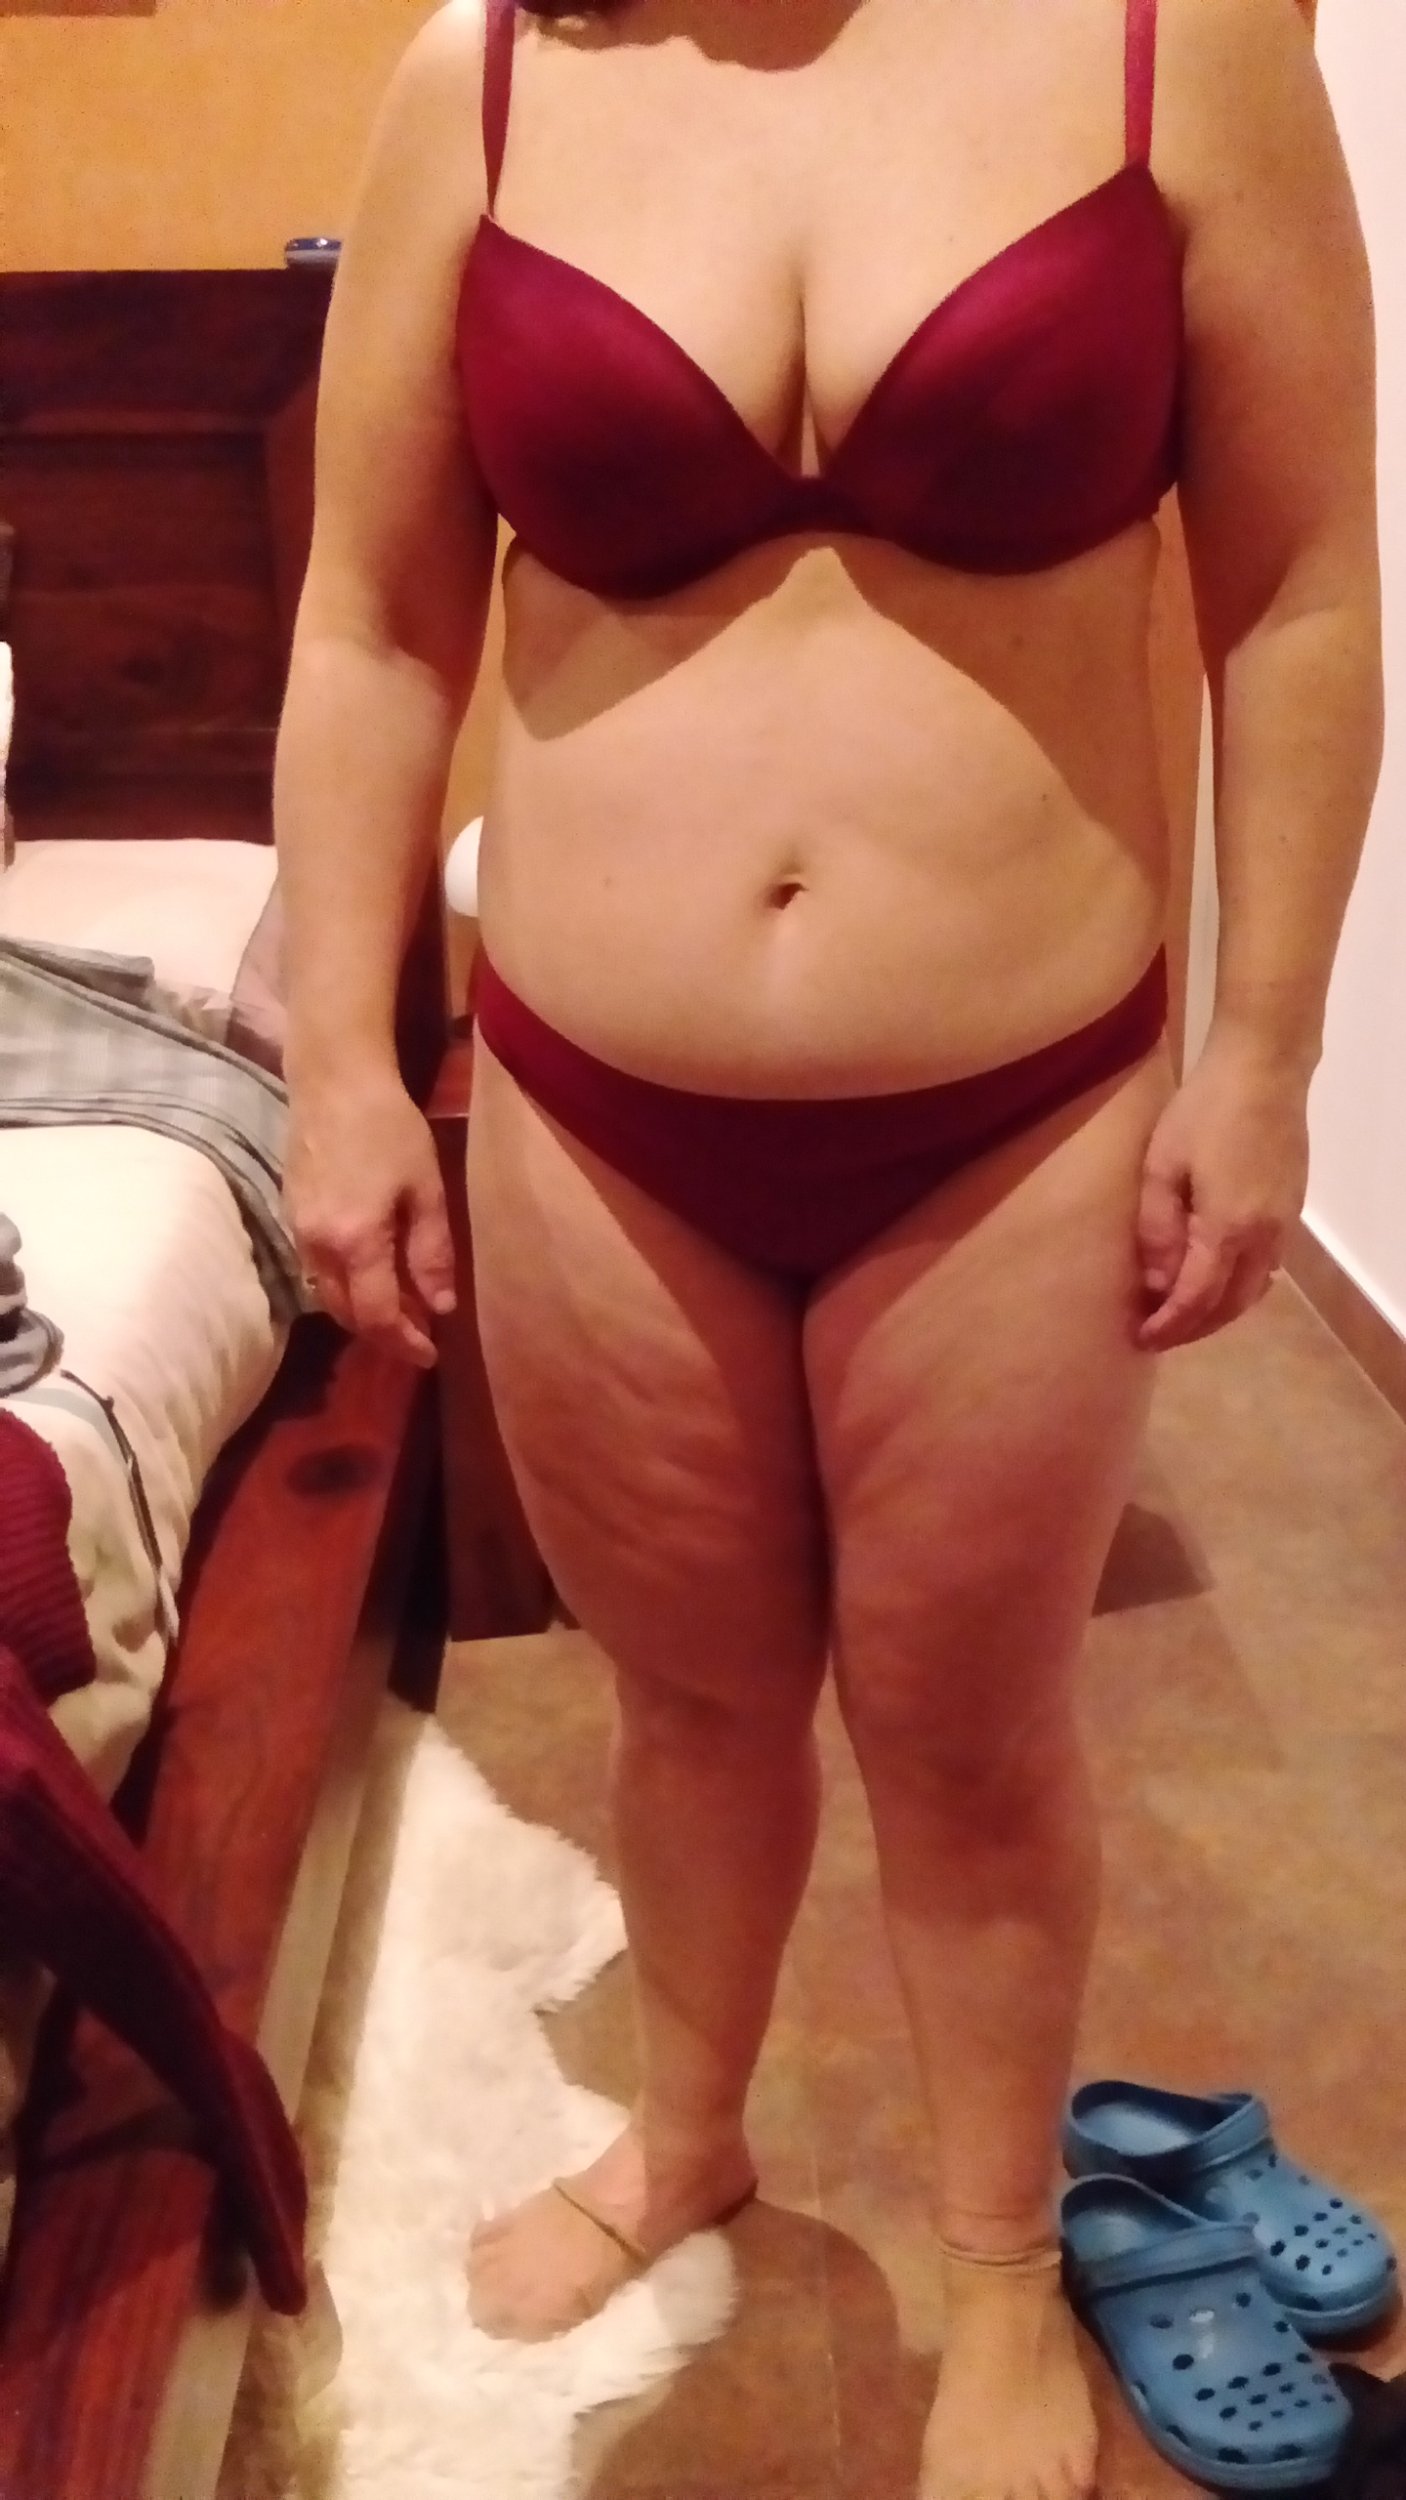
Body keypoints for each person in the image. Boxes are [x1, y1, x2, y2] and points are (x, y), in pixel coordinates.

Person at [274, 0, 1382, 2492]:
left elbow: (1299, 592)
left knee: (969, 1728)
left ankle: (997, 2264)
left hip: (1021, 1105)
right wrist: (340, 1052)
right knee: (687, 1695)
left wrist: (1265, 1050)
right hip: (596, 1103)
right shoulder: (480, 80)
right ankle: (685, 2131)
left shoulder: (1176, 44)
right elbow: (372, 622)